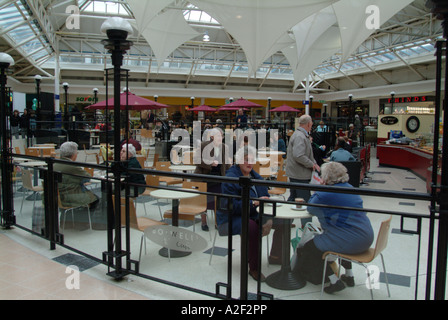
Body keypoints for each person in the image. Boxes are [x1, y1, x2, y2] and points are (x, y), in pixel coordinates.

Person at [293, 162, 374, 294]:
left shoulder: (328, 193)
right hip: (366, 237)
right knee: (340, 240)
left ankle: (334, 281)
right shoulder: (350, 188)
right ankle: (349, 275)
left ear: (326, 178)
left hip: (351, 240)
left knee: (310, 248)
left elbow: (311, 208)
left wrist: (318, 189)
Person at [218, 146, 273, 281]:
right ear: (238, 161)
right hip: (230, 219)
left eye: (252, 160)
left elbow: (264, 193)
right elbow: (229, 206)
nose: (249, 163)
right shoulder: (231, 178)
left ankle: (277, 256)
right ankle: (254, 268)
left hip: (251, 214)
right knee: (252, 227)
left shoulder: (254, 175)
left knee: (281, 220)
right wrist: (253, 203)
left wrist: (262, 200)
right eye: (246, 160)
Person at [54, 142, 99, 228]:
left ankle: (67, 221)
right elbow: (87, 177)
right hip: (69, 196)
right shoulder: (72, 166)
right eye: (77, 152)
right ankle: (83, 223)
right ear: (73, 154)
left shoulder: (55, 164)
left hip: (58, 196)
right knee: (95, 199)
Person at [195, 127, 231, 231]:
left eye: (222, 136)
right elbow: (197, 160)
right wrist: (210, 163)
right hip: (205, 177)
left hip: (219, 178)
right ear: (211, 137)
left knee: (219, 201)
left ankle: (217, 222)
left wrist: (230, 175)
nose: (221, 138)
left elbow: (226, 164)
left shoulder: (224, 147)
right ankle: (203, 222)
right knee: (204, 201)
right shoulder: (203, 145)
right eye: (218, 136)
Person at [285, 115, 320, 222]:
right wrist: (312, 164)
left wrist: (313, 162)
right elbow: (299, 155)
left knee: (293, 198)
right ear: (309, 124)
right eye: (311, 124)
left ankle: (284, 223)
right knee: (304, 201)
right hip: (300, 174)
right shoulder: (300, 136)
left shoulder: (299, 135)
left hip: (295, 172)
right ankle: (307, 228)